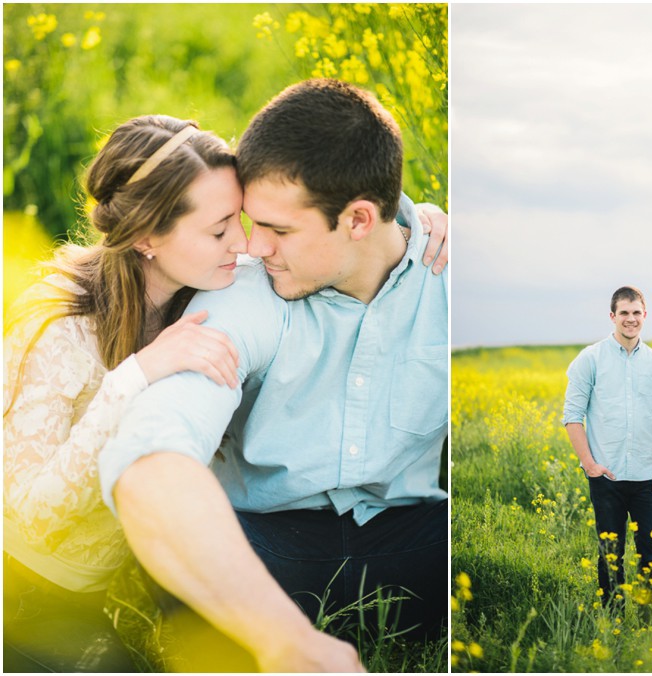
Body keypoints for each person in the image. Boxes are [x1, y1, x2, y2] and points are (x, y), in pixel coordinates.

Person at [97, 79, 448, 673]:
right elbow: (149, 453)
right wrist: (290, 643)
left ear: (359, 219)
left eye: (279, 231)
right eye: (247, 222)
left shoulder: (445, 278)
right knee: (185, 564)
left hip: (409, 538)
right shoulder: (249, 293)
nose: (253, 248)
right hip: (267, 544)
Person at [3, 115, 248, 672]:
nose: (244, 242)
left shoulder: (206, 284)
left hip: (124, 565)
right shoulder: (57, 325)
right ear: (146, 238)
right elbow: (36, 516)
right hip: (24, 587)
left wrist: (415, 223)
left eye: (241, 218)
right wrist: (134, 377)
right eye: (219, 229)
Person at [562, 285, 652, 619]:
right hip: (605, 475)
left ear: (645, 316)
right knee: (610, 552)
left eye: (637, 313)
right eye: (624, 313)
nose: (631, 319)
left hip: (647, 476)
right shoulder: (590, 358)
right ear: (613, 317)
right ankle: (612, 617)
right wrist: (589, 464)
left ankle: (648, 619)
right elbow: (571, 416)